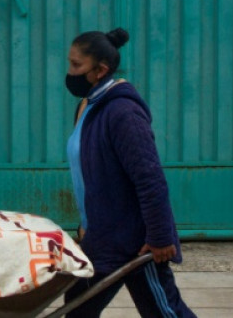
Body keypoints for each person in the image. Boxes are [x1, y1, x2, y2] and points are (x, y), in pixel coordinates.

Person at [62, 28, 196, 317]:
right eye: (69, 63)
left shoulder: (122, 113)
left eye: (77, 66)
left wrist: (160, 237)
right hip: (102, 237)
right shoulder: (88, 106)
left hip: (135, 242)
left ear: (100, 70)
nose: (70, 72)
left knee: (165, 312)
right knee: (76, 308)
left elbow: (149, 179)